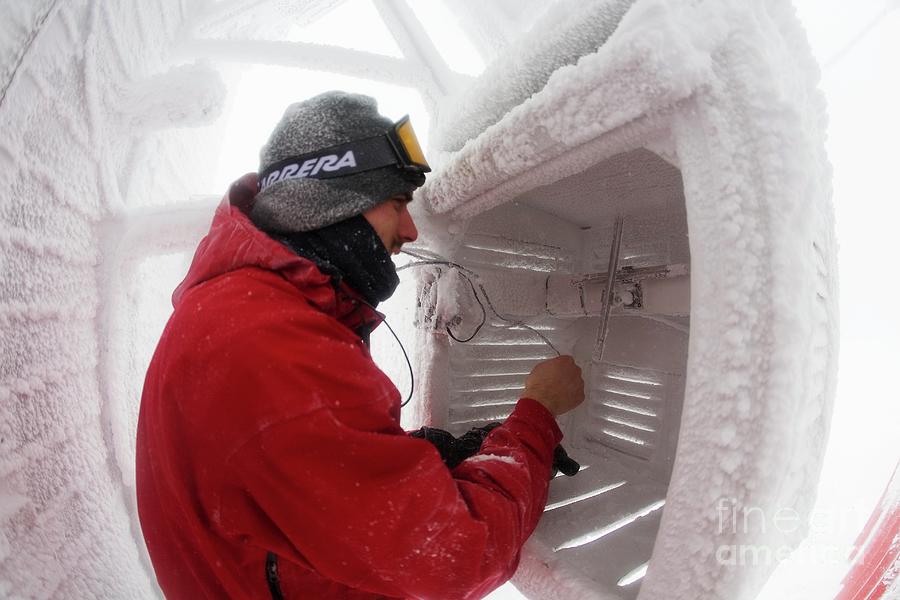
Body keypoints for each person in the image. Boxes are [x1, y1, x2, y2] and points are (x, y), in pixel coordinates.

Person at [136, 91, 585, 600]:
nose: (411, 231)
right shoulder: (279, 348)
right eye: (397, 205)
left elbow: (291, 475)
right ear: (332, 204)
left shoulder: (241, 310)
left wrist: (430, 455)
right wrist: (537, 417)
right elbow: (458, 555)